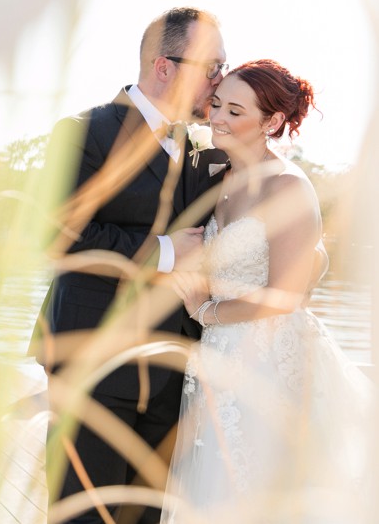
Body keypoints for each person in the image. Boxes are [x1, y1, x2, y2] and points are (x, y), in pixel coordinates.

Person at [30, 7, 230, 523]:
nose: (219, 81)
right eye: (211, 68)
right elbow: (59, 235)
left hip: (170, 369)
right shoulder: (85, 131)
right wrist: (165, 251)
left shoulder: (199, 151)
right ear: (164, 67)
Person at [161, 60, 372, 523]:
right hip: (219, 363)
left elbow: (287, 296)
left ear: (272, 121)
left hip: (271, 363)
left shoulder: (288, 187)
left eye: (236, 111)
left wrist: (205, 311)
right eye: (216, 105)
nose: (218, 118)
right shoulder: (221, 177)